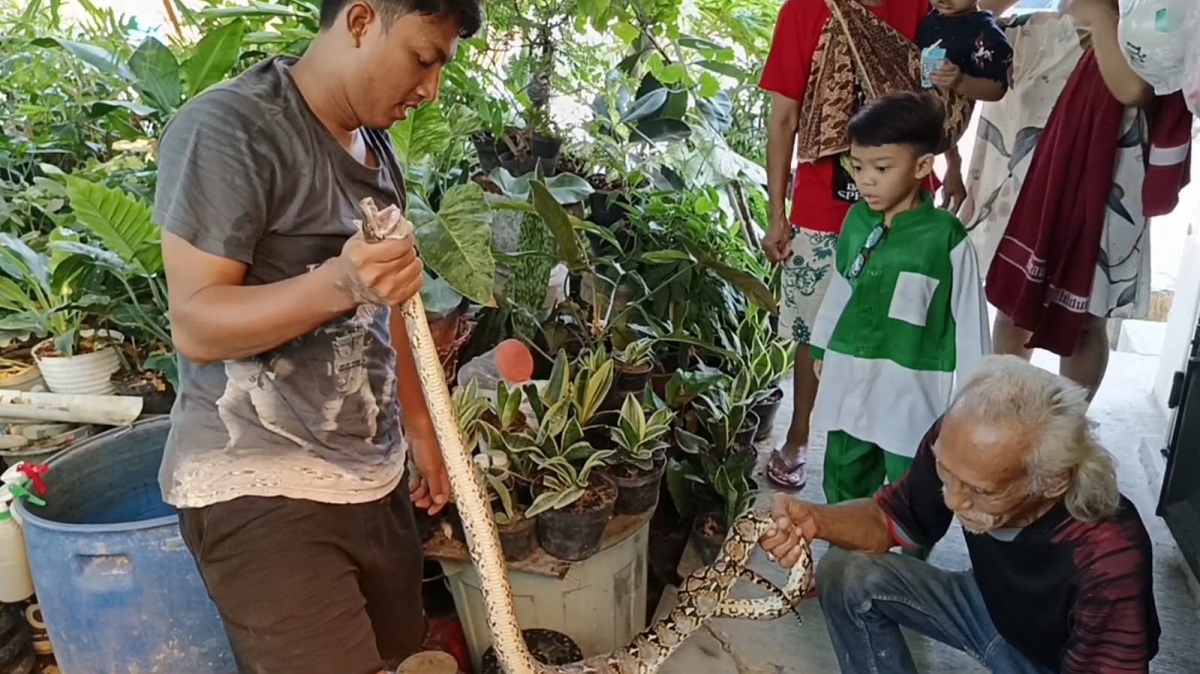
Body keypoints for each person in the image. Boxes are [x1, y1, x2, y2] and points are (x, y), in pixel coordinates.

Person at [153, 1, 482, 672]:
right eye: (423, 60)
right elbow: (195, 323)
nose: (430, 90)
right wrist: (341, 282)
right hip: (259, 485)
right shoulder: (232, 128)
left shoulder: (376, 149)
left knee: (392, 654)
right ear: (362, 20)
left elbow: (391, 299)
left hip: (370, 477)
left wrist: (422, 430)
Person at [760, 355, 1161, 674]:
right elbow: (891, 518)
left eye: (978, 491)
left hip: (1050, 661)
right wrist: (813, 519)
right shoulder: (957, 444)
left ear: (1053, 482)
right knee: (845, 572)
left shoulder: (1110, 554)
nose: (952, 500)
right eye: (944, 474)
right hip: (988, 604)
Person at [758, 0, 971, 491]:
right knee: (817, 332)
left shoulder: (919, 7)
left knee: (903, 332)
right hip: (821, 207)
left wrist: (953, 160)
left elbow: (933, 94)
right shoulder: (805, 10)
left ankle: (887, 446)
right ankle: (799, 436)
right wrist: (776, 214)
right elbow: (784, 117)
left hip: (908, 207)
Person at [962, 0, 1188, 401]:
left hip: (1113, 149)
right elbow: (982, 8)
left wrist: (1101, 17)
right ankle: (1001, 413)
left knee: (1089, 309)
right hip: (1036, 117)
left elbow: (1133, 88)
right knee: (1016, 304)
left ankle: (1068, 427)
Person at [807, 92, 989, 520]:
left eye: (882, 168)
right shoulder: (856, 220)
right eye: (858, 166)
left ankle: (907, 575)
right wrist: (821, 348)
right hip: (851, 369)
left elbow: (968, 320)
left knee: (915, 484)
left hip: (913, 386)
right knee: (843, 469)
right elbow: (841, 286)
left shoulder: (946, 238)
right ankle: (845, 557)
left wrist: (974, 394)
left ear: (923, 167)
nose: (866, 180)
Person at [920, 0, 1014, 102]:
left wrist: (960, 81)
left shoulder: (987, 35)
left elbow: (997, 89)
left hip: (940, 113)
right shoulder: (933, 14)